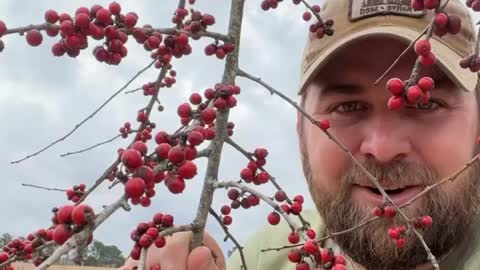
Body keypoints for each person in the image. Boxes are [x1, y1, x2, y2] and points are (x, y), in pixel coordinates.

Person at [119, 0, 480, 269]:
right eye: (348, 107)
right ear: (301, 131)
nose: (383, 148)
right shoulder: (266, 256)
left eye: (425, 104)